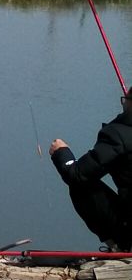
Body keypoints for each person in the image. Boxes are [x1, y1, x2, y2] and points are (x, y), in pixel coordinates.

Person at [51, 93, 132, 249]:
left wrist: (61, 153)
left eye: (125, 101)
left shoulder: (117, 135)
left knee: (81, 186)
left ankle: (121, 247)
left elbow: (77, 175)